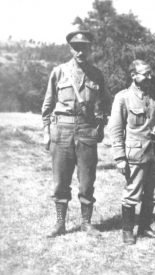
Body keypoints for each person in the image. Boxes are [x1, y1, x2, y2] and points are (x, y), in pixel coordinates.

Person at [41, 30, 108, 237]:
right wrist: (46, 131)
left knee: (87, 180)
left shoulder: (96, 74)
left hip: (87, 130)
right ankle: (60, 223)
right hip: (62, 131)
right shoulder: (59, 72)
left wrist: (101, 124)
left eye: (84, 48)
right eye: (76, 48)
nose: (80, 51)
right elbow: (48, 104)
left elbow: (106, 103)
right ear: (71, 49)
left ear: (90, 49)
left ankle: (86, 223)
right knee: (61, 180)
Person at [109, 60, 155, 245]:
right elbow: (116, 130)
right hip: (135, 154)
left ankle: (144, 227)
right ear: (133, 75)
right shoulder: (123, 98)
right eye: (145, 74)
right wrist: (119, 157)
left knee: (153, 193)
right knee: (132, 193)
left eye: (151, 73)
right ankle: (127, 230)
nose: (150, 77)